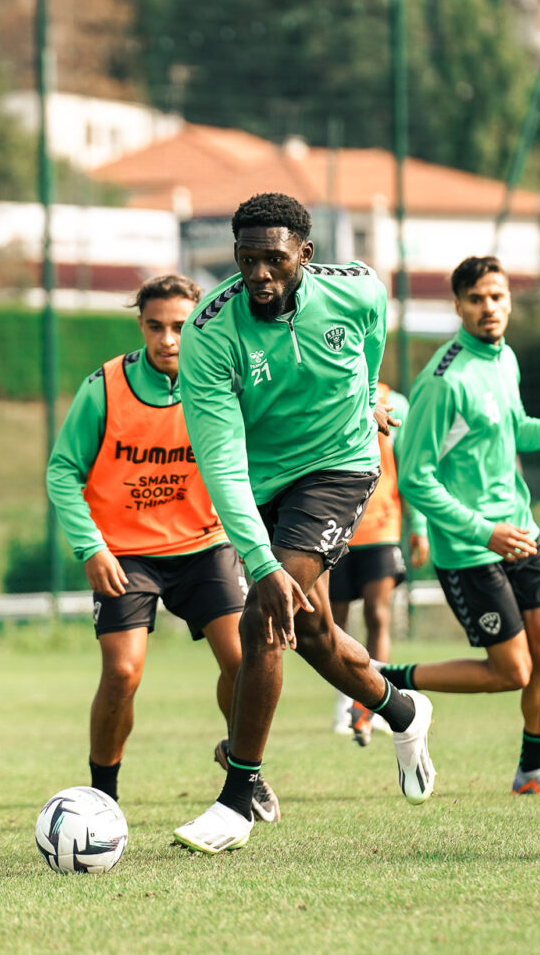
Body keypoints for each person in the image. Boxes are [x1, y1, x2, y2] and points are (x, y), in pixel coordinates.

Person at [170, 192, 436, 855]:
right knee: (312, 632)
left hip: (340, 467)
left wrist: (365, 399)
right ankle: (402, 709)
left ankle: (237, 801)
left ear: (305, 256)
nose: (259, 274)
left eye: (275, 260)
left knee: (263, 619)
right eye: (246, 259)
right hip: (260, 483)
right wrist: (259, 559)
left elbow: (371, 343)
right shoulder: (210, 332)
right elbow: (220, 458)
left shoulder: (359, 290)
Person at [45, 273, 280, 822]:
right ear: (141, 326)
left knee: (244, 660)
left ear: (200, 321)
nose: (168, 339)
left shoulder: (226, 377)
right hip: (125, 553)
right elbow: (62, 472)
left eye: (179, 326)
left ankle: (242, 764)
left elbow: (287, 420)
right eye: (155, 327)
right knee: (123, 673)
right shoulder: (105, 387)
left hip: (206, 544)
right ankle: (102, 799)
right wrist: (91, 548)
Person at [389, 255, 540, 796]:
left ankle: (532, 773)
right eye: (476, 299)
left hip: (520, 531)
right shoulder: (443, 382)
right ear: (458, 307)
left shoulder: (505, 359)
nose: (488, 308)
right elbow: (416, 478)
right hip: (471, 549)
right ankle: (385, 680)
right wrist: (482, 531)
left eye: (496, 297)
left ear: (510, 301)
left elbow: (514, 429)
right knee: (513, 671)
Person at [329, 381, 428, 746]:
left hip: (383, 527)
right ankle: (345, 703)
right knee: (333, 624)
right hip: (336, 525)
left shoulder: (395, 400)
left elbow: (409, 467)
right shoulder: (331, 387)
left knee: (377, 614)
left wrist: (419, 525)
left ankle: (370, 705)